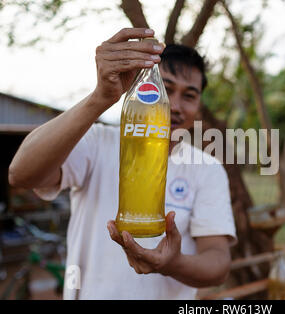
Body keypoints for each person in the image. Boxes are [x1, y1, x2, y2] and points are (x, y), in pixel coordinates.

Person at [8, 28, 237, 300]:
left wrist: (174, 263)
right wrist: (100, 98)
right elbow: (20, 175)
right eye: (165, 87)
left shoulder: (206, 169)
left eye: (188, 95)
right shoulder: (97, 140)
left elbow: (218, 264)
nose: (174, 105)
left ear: (198, 106)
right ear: (141, 88)